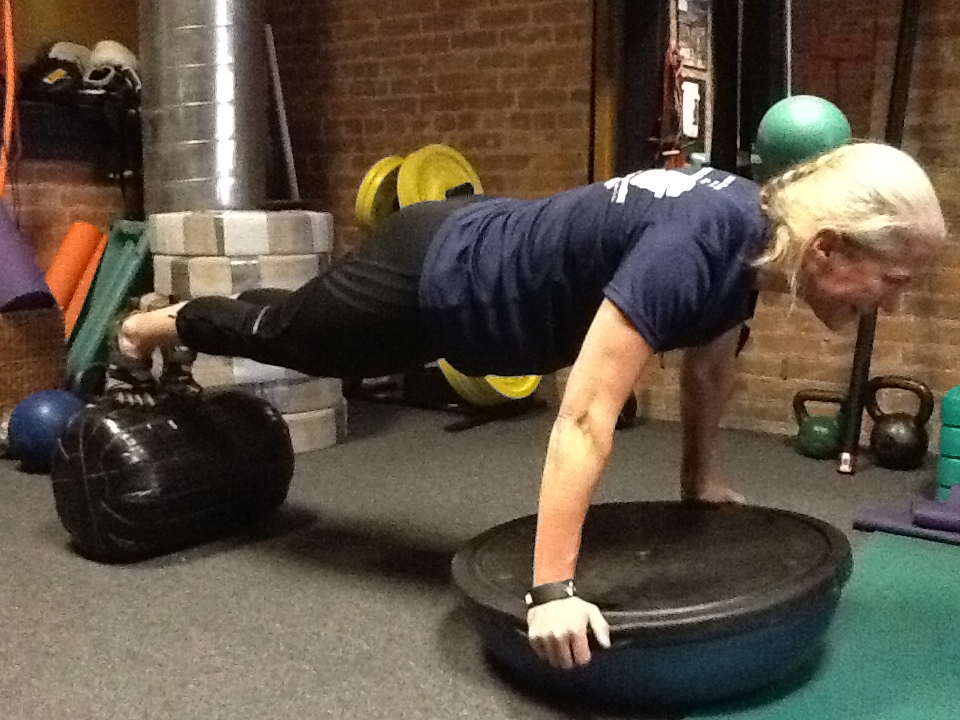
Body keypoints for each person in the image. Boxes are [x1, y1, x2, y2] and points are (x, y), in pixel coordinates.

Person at [110, 141, 947, 670]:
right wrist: (550, 592)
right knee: (290, 336)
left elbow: (709, 369)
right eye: (895, 281)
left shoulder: (758, 242)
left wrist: (700, 480)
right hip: (436, 278)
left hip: (485, 258)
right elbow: (583, 415)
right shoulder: (692, 248)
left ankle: (172, 323)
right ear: (831, 247)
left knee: (299, 337)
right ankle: (163, 321)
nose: (894, 303)